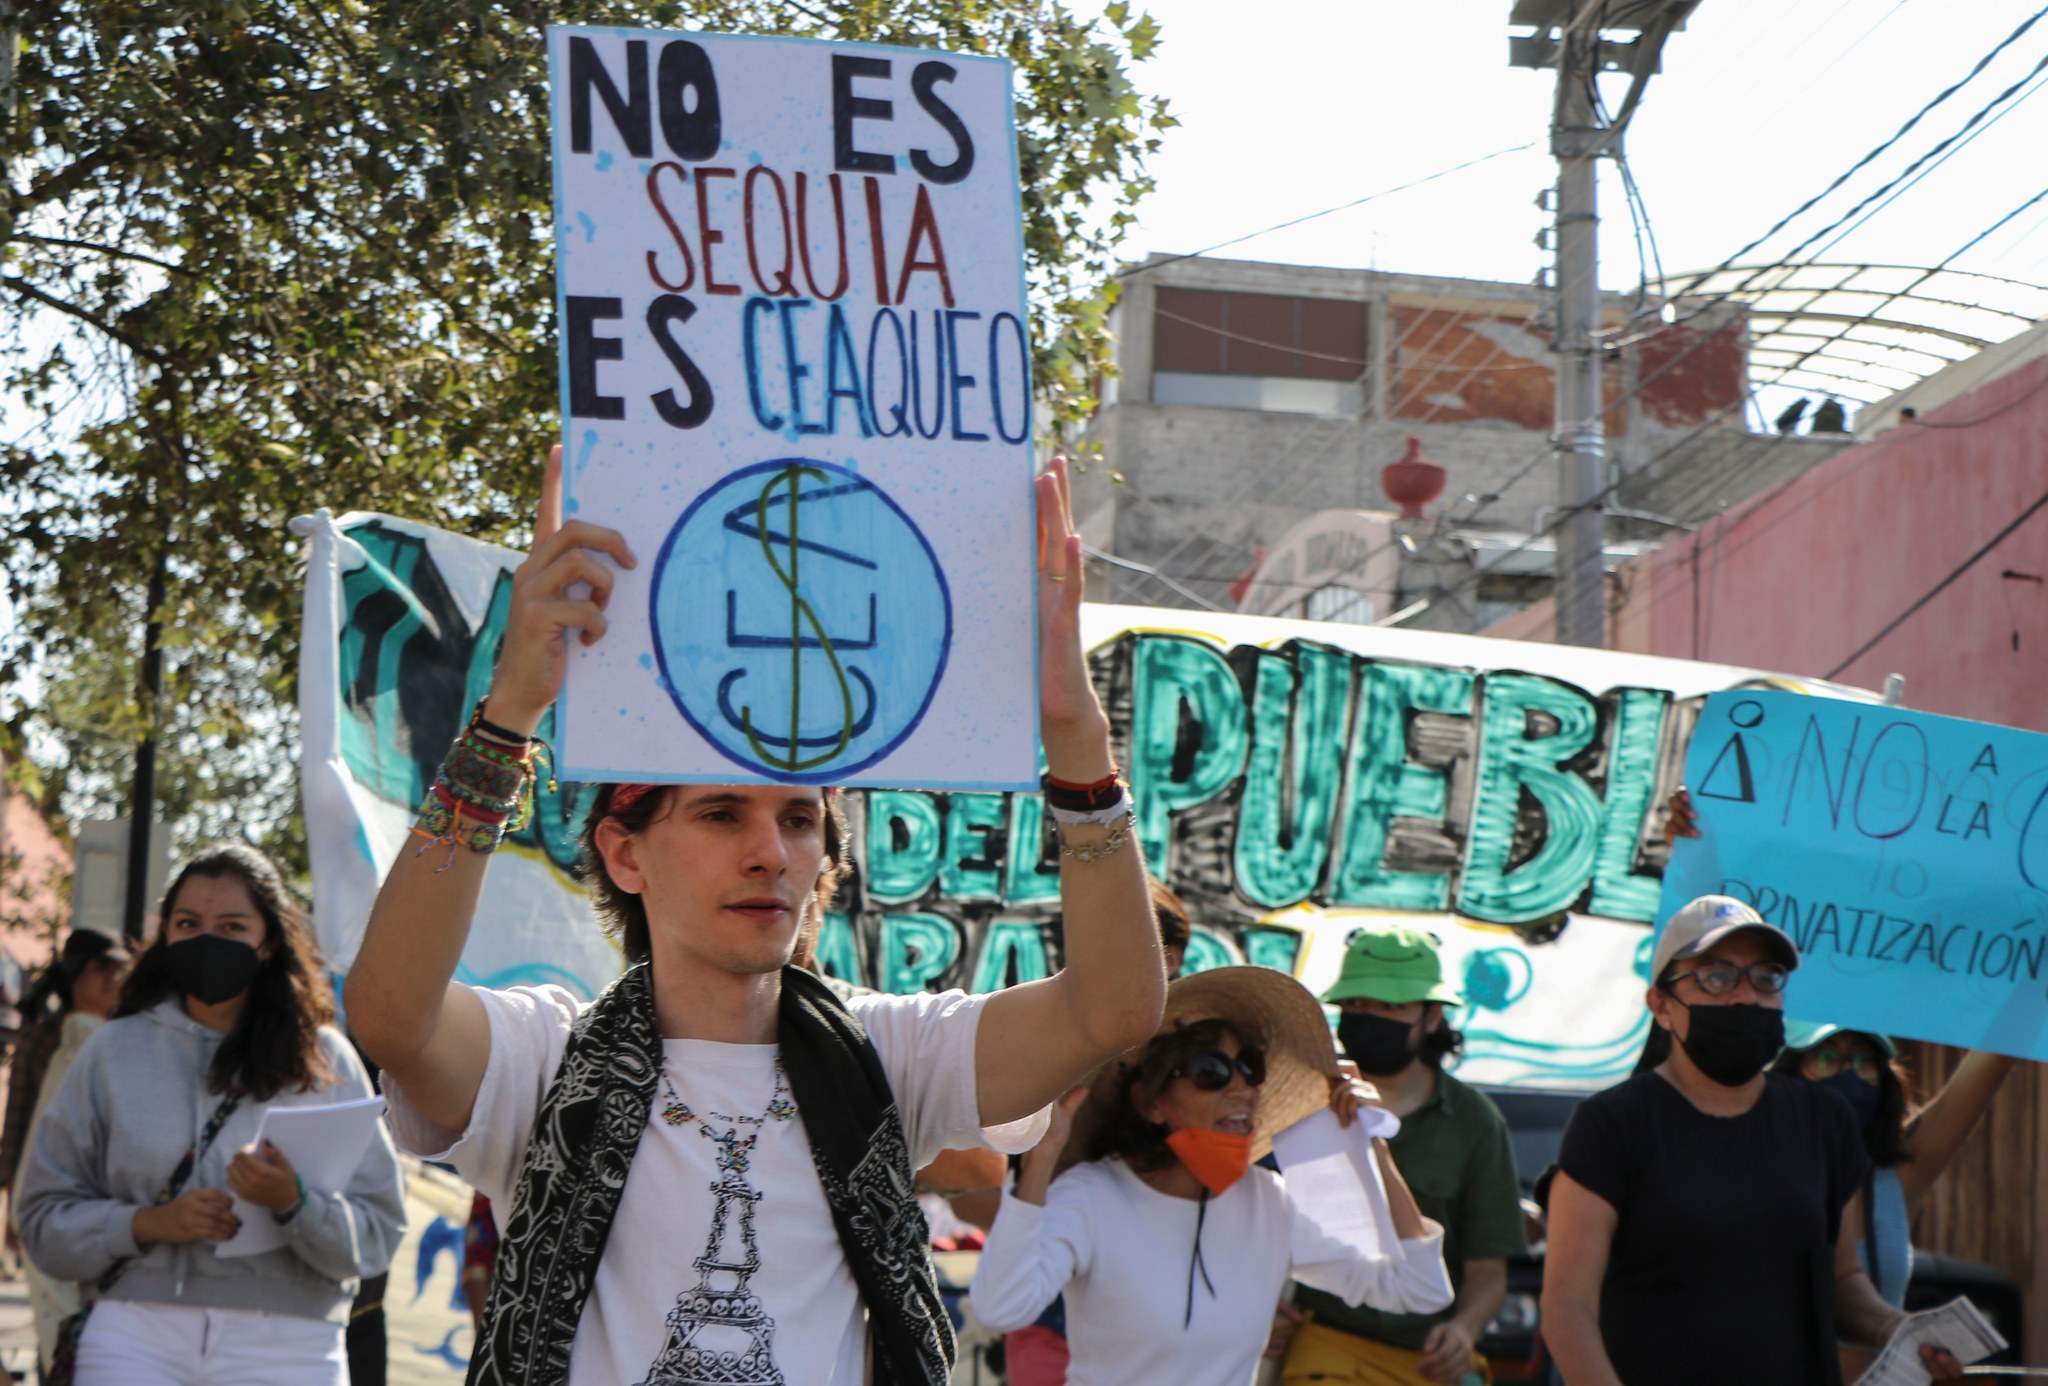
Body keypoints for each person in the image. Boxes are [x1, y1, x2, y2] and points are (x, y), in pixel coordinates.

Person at [344, 453, 1167, 1385]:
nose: (769, 851)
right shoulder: (543, 1059)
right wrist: (510, 715)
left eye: (799, 820)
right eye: (721, 813)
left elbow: (1115, 1011)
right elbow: (391, 1015)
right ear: (625, 853)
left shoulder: (890, 1058)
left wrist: (1078, 747)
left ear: (827, 865)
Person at [15, 844, 407, 1385]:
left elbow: (379, 1233)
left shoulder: (325, 1060)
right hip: (134, 1334)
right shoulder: (112, 1051)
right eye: (188, 922)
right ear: (166, 932)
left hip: (290, 1343)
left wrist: (295, 1205)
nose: (207, 941)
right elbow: (40, 1220)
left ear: (268, 941)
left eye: (231, 926)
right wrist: (147, 1223)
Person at [1540, 895, 1963, 1386]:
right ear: (1661, 1006)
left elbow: (1842, 1280)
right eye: (1717, 977)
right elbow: (1567, 1306)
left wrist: (1900, 1329)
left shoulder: (1822, 1121)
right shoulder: (1612, 1124)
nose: (1745, 997)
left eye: (1765, 977)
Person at [970, 966, 1454, 1386]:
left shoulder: (1269, 1201)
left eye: (1250, 1067)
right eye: (1210, 1069)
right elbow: (1001, 1309)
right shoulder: (1091, 1196)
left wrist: (1371, 1142)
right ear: (1151, 1102)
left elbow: (1420, 1288)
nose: (1242, 1087)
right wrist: (1042, 1158)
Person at [1282, 925, 1526, 1386]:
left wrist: (1463, 1330)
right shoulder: (1292, 1104)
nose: (1369, 1016)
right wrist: (1264, 1306)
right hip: (1320, 1351)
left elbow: (1488, 1270)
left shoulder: (1476, 1123)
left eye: (1391, 1006)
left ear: (1432, 1018)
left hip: (1423, 1366)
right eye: (1355, 1004)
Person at [3, 930, 131, 1373]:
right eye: (102, 969)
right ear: (75, 975)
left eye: (120, 969)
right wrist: (17, 1206)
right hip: (49, 1196)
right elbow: (22, 1116)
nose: (112, 979)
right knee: (56, 1329)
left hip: (110, 1208)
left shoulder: (129, 1038)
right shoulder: (48, 1038)